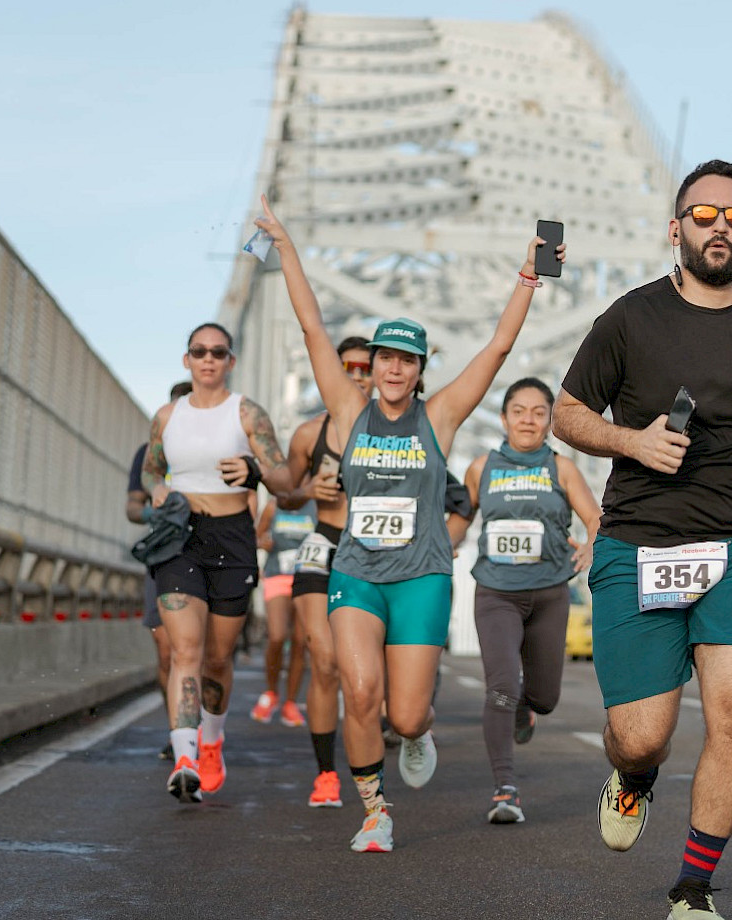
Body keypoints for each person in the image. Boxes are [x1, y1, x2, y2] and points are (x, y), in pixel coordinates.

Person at [553, 160, 732, 919]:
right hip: (641, 540)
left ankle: (694, 887)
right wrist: (631, 443)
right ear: (675, 230)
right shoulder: (630, 319)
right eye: (703, 216)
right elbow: (567, 415)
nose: (718, 228)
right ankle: (634, 779)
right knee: (642, 737)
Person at [255, 195, 562, 853]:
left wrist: (527, 278)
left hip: (421, 576)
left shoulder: (441, 417)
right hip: (358, 572)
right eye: (385, 357)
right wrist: (285, 247)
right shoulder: (345, 408)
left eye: (405, 360)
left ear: (420, 372)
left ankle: (415, 733)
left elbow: (499, 347)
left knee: (406, 712)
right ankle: (374, 810)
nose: (392, 368)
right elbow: (312, 327)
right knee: (359, 691)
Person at [141, 321, 300, 804]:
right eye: (198, 351)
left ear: (230, 361)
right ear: (186, 360)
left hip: (232, 539)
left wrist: (255, 469)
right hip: (180, 537)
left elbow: (284, 481)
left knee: (216, 659)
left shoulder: (248, 413)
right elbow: (151, 468)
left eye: (217, 352)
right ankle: (185, 755)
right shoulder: (167, 416)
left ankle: (211, 741)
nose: (208, 359)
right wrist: (158, 487)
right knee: (184, 652)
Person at [446, 377, 601, 824]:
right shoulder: (482, 467)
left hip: (551, 592)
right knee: (500, 686)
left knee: (544, 696)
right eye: (519, 411)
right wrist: (444, 544)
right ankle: (505, 789)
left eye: (538, 412)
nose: (528, 420)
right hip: (496, 592)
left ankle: (527, 710)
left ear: (549, 421)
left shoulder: (561, 467)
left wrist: (591, 543)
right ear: (504, 418)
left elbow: (595, 518)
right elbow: (462, 518)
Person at [279, 334, 375, 808]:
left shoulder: (398, 431)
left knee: (371, 673)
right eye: (347, 368)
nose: (356, 377)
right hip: (324, 544)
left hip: (374, 554)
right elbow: (284, 494)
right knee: (325, 660)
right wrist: (309, 492)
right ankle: (325, 774)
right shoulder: (308, 434)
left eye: (364, 368)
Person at [126, 379, 194, 761]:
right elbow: (131, 508)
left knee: (206, 652)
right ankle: (178, 731)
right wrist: (160, 511)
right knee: (167, 651)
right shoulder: (149, 454)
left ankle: (204, 729)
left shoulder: (217, 448)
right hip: (164, 557)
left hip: (212, 554)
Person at [252, 497, 316, 727]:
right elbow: (256, 536)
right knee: (277, 636)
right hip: (277, 573)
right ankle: (271, 692)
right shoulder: (273, 505)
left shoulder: (315, 504)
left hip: (308, 576)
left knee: (300, 641)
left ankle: (290, 702)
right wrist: (263, 541)